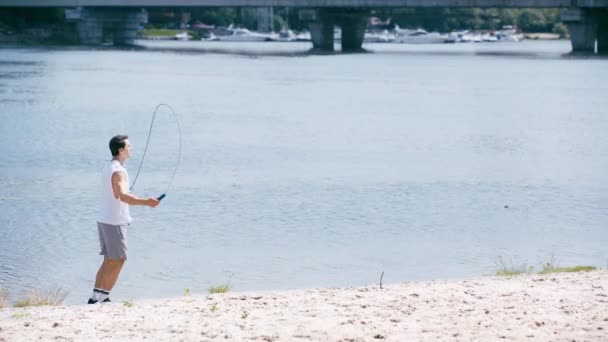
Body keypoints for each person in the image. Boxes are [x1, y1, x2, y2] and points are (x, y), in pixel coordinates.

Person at [88, 135, 160, 304]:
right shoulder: (118, 171)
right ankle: (103, 297)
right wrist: (147, 202)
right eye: (128, 146)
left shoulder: (109, 166)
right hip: (114, 221)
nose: (131, 148)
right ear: (121, 150)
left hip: (105, 219)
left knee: (108, 260)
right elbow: (121, 196)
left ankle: (94, 298)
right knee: (119, 260)